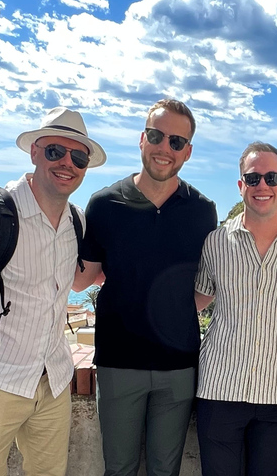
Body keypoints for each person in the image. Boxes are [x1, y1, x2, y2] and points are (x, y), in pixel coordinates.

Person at [0, 106, 107, 476]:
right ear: (34, 151)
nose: (67, 163)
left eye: (78, 156)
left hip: (53, 382)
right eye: (55, 151)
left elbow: (80, 281)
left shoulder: (76, 221)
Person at [72, 98, 218, 476]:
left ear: (187, 151)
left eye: (176, 141)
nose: (164, 148)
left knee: (164, 470)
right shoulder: (104, 204)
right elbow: (80, 277)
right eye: (157, 135)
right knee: (118, 468)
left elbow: (211, 282)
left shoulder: (202, 210)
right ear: (142, 138)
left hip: (178, 366)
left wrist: (175, 312)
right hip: (119, 363)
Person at [194, 142, 277, 476]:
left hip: (276, 393)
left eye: (271, 177)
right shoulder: (215, 242)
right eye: (252, 178)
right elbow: (196, 300)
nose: (262, 185)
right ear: (240, 186)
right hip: (218, 388)